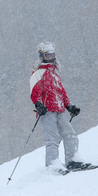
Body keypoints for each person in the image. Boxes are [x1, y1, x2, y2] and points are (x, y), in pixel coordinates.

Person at [30, 42, 89, 172]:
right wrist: (39, 104)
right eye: (48, 55)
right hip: (46, 112)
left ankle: (73, 160)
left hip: (60, 110)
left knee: (70, 134)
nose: (51, 57)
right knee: (53, 138)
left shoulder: (55, 74)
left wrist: (69, 106)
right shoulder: (37, 73)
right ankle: (52, 165)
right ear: (42, 56)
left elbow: (61, 93)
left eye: (52, 55)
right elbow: (35, 92)